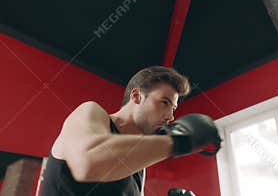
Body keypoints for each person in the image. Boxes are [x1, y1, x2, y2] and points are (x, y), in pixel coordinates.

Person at [39, 66, 222, 196]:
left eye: (173, 108)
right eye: (164, 102)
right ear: (136, 96)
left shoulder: (137, 162)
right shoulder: (90, 112)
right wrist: (180, 139)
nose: (170, 117)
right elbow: (88, 162)